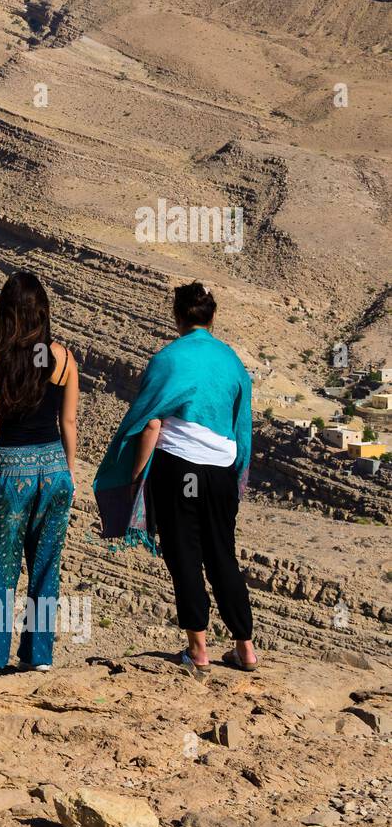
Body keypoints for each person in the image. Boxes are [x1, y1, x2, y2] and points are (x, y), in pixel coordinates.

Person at [94, 282, 256, 676]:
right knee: (222, 555)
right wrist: (235, 473)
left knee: (184, 553)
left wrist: (135, 476)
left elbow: (149, 421)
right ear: (212, 317)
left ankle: (198, 651)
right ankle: (245, 648)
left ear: (178, 317)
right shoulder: (232, 361)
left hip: (179, 469)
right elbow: (242, 423)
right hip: (220, 471)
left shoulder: (168, 359)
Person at [0, 271, 79, 676]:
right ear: (42, 312)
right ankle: (38, 655)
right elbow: (69, 423)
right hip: (54, 471)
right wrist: (70, 473)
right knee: (46, 565)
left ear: (6, 315)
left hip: (10, 472)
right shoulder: (62, 358)